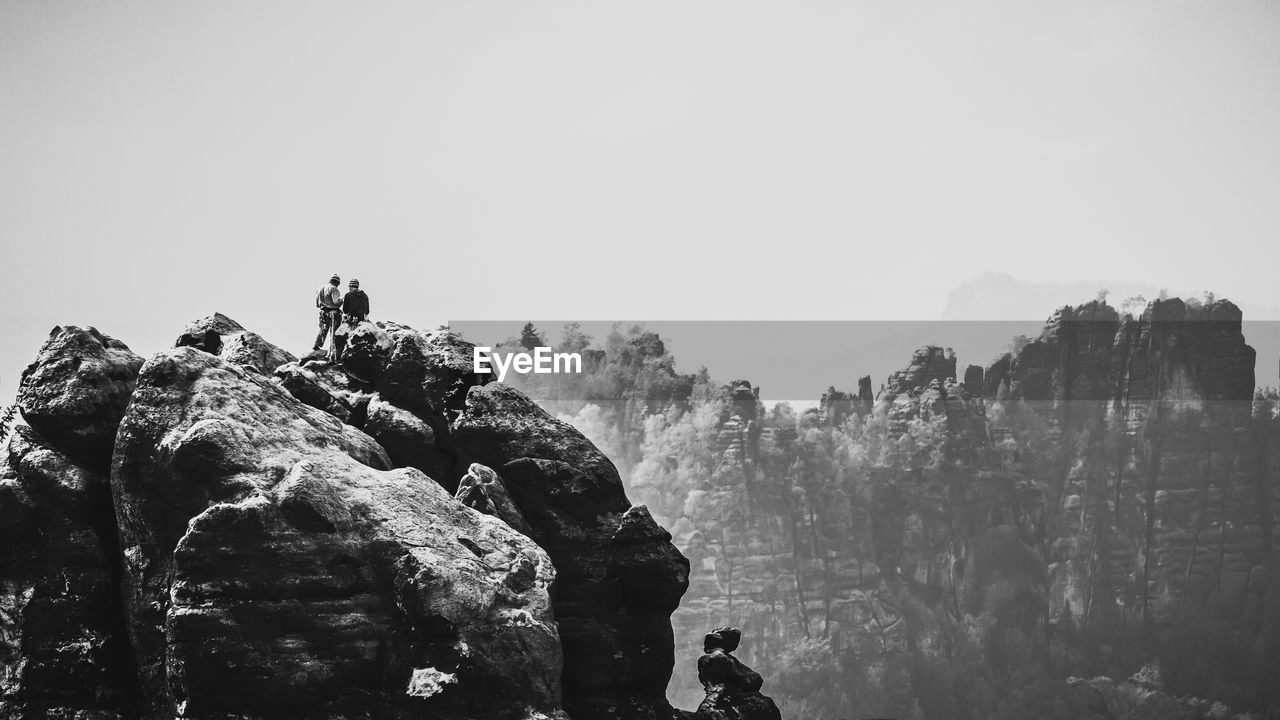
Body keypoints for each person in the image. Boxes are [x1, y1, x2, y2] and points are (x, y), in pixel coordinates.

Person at [313, 274, 342, 352]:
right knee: (334, 331)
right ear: (337, 282)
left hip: (323, 312)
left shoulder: (319, 289)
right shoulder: (334, 289)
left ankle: (317, 345)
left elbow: (317, 304)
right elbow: (336, 301)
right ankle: (333, 349)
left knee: (323, 329)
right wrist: (342, 300)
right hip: (333, 312)